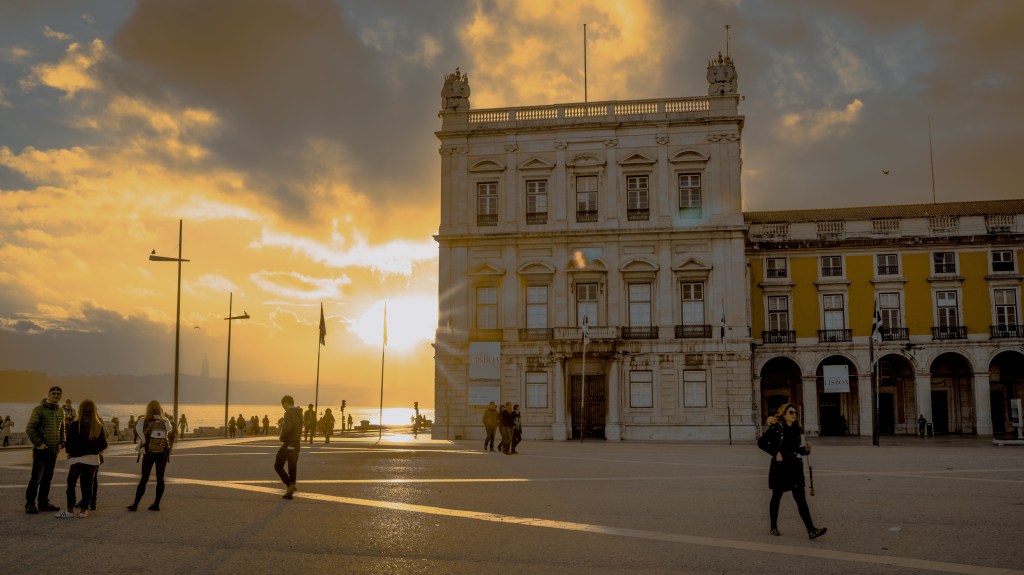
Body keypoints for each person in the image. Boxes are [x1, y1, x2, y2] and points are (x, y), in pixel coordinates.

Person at [760, 403, 827, 540]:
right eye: (791, 412)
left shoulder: (797, 429)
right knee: (776, 496)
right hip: (780, 468)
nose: (794, 414)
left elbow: (795, 450)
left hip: (795, 467)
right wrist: (775, 452)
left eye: (795, 412)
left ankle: (811, 530)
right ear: (784, 414)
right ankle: (773, 527)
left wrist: (806, 450)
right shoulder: (776, 428)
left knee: (801, 499)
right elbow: (761, 443)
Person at [57, 399, 107, 518]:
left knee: (71, 485)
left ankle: (70, 511)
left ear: (81, 410)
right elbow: (104, 444)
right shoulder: (98, 426)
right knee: (87, 485)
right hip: (93, 460)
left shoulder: (75, 425)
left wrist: (75, 453)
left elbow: (68, 444)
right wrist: (93, 451)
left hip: (77, 460)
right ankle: (84, 511)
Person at [25, 386, 66, 514]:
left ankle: (43, 503)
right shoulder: (40, 409)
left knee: (47, 479)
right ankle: (30, 504)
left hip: (53, 451)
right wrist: (39, 443)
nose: (56, 395)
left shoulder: (60, 411)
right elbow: (30, 428)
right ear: (48, 394)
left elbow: (62, 429)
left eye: (58, 394)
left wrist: (62, 442)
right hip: (41, 450)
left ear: (61, 396)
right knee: (36, 478)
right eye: (53, 393)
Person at [127, 400, 174, 512]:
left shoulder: (143, 420)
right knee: (160, 479)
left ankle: (135, 504)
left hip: (148, 452)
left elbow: (138, 432)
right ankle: (156, 504)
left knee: (144, 478)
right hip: (162, 452)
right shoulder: (165, 420)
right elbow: (170, 430)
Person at [274, 395, 303, 499]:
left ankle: (289, 485)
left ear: (286, 403)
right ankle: (290, 492)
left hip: (289, 444)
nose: (283, 408)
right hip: (297, 444)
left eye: (283, 405)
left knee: (278, 465)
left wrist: (282, 437)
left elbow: (288, 428)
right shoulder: (299, 413)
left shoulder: (288, 413)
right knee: (292, 466)